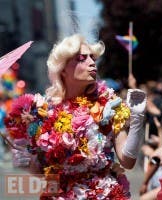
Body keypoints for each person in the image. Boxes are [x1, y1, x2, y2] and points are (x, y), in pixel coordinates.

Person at [5, 34, 147, 199]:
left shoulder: (109, 105)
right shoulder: (44, 111)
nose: (92, 62)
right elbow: (42, 172)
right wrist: (24, 158)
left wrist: (137, 119)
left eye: (92, 57)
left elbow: (127, 162)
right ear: (62, 69)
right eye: (82, 58)